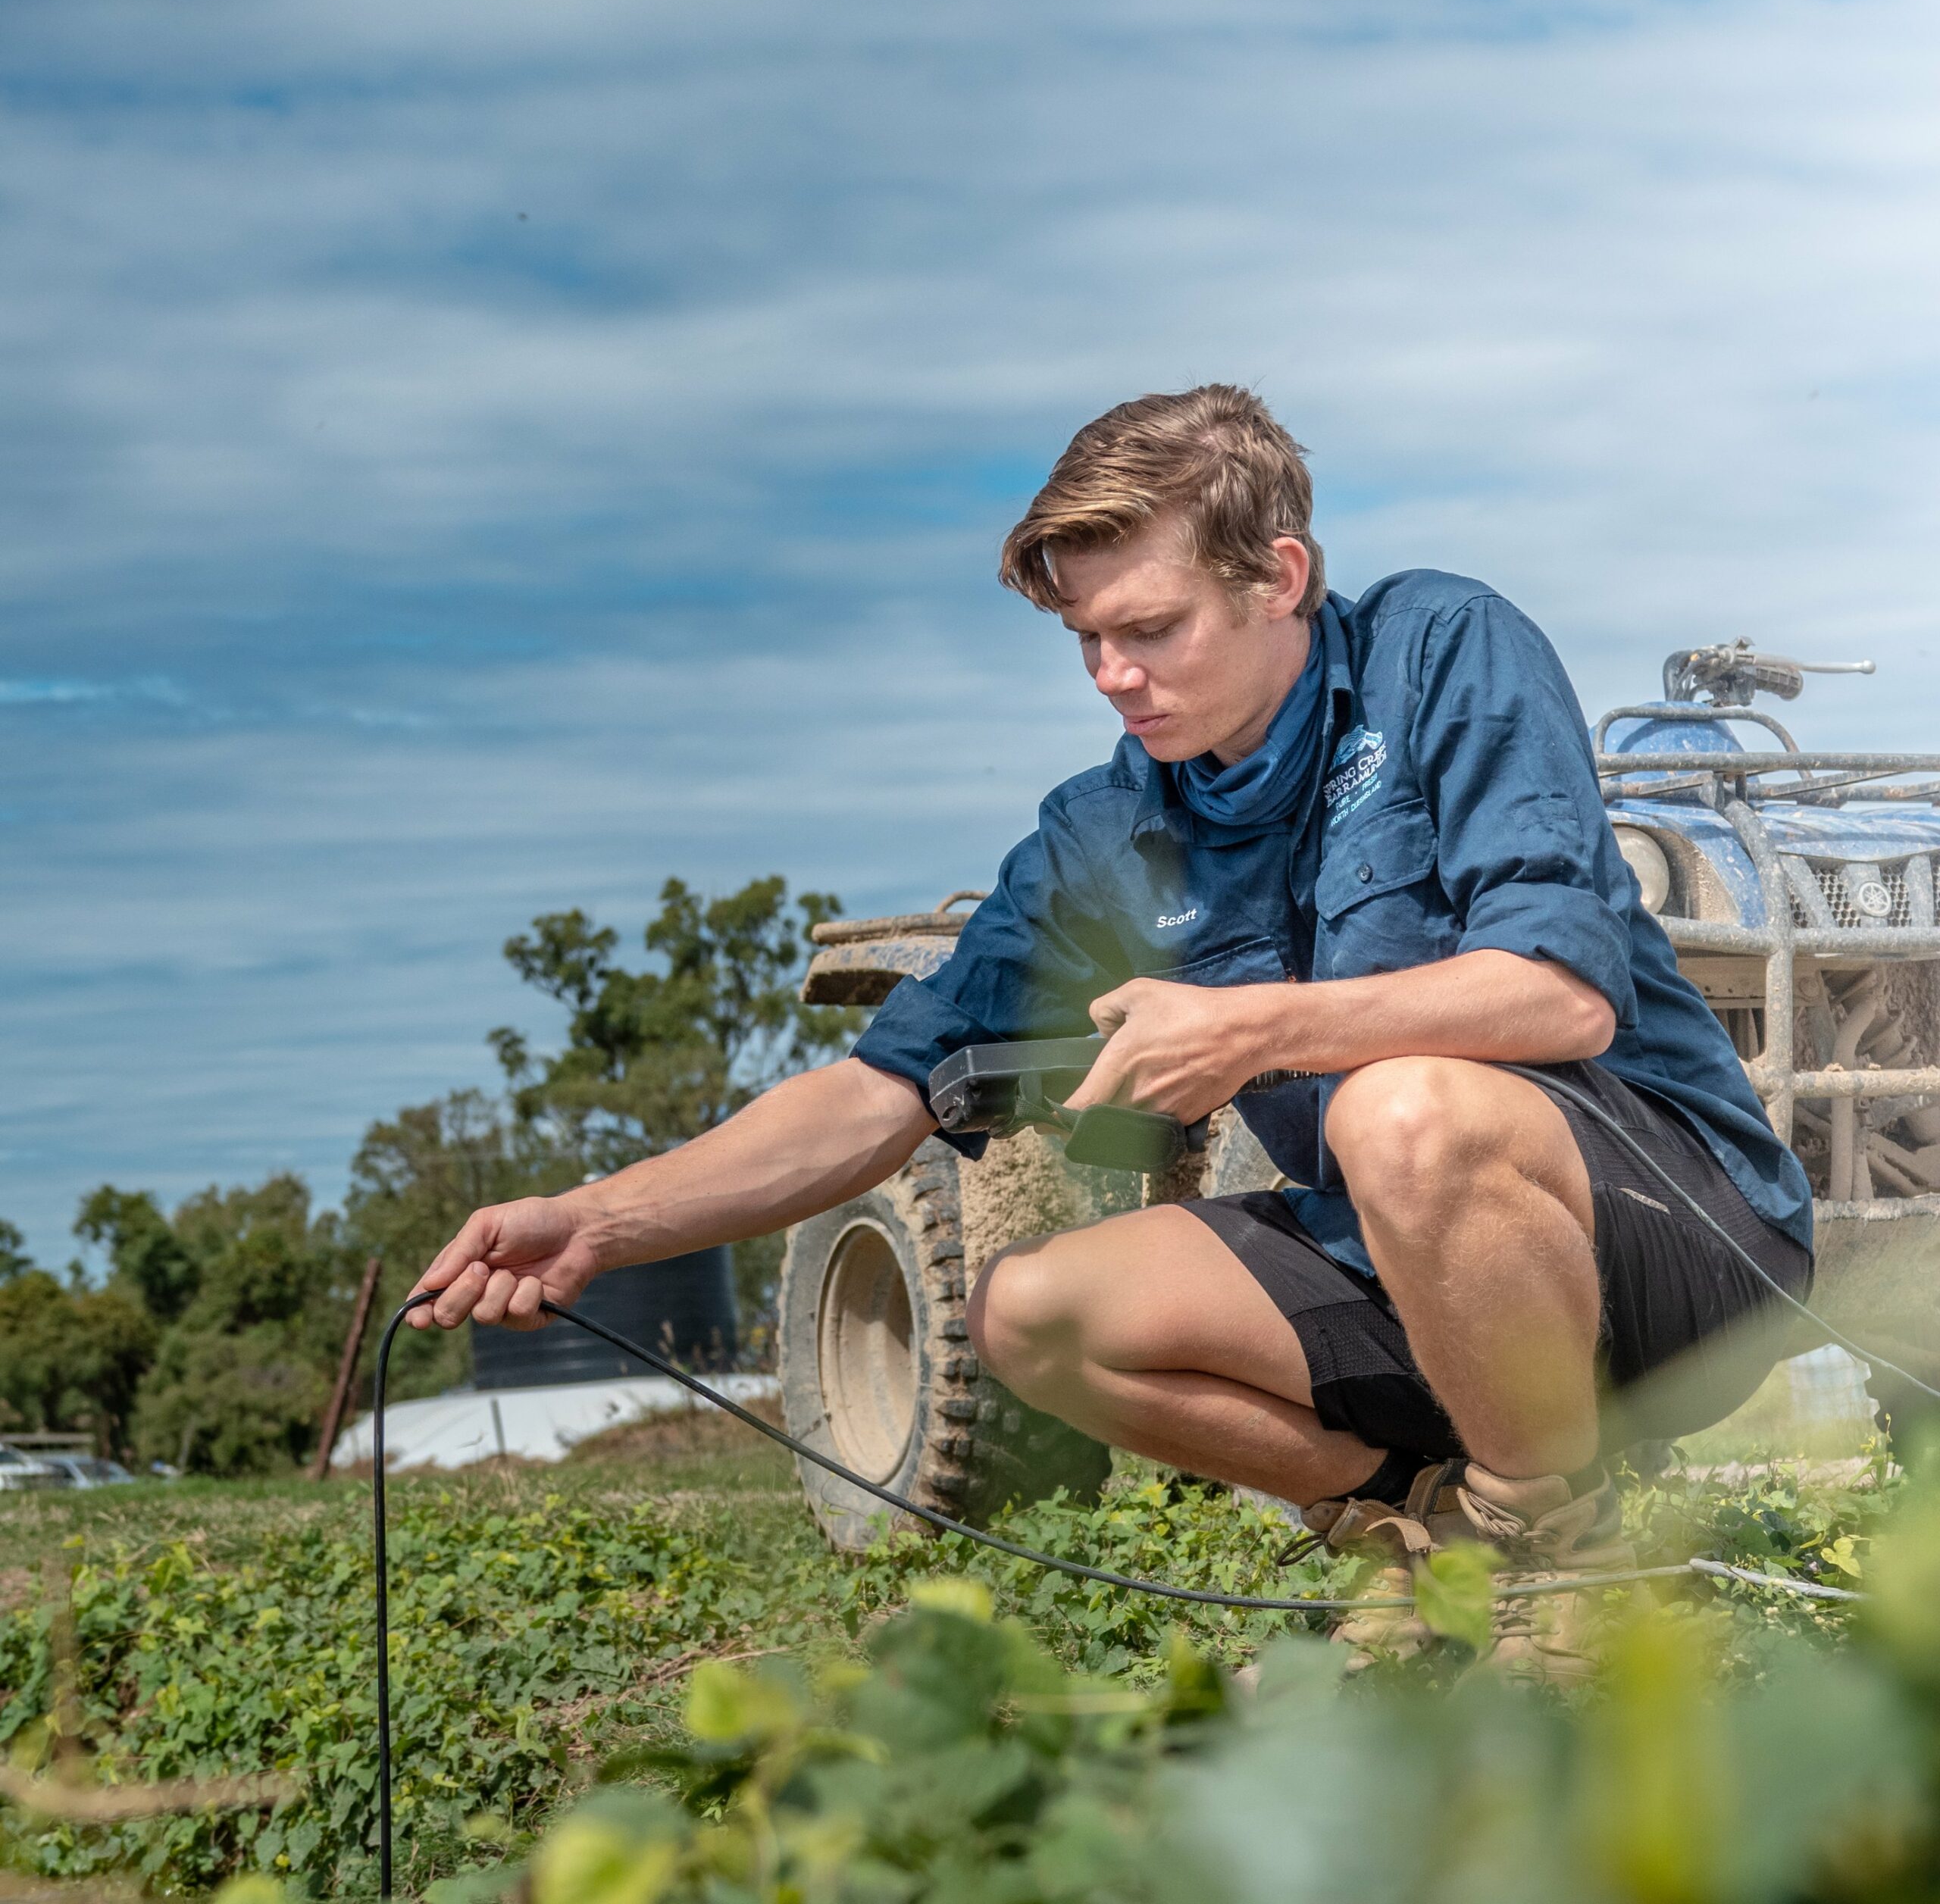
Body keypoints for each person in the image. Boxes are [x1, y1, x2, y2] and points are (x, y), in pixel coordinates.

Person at [408, 385, 1813, 1676]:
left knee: (1403, 1110)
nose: (1112, 677)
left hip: (1669, 1238)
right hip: (1412, 1264)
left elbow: (1560, 992)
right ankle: (1418, 1521)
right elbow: (875, 1094)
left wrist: (1258, 1030)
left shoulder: (1441, 650)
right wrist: (600, 1222)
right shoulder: (1108, 831)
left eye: (1150, 629)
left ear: (1280, 577)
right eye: (1087, 640)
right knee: (1035, 1312)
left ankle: (1567, 1569)